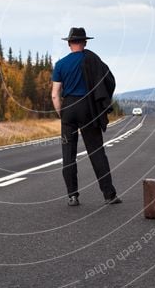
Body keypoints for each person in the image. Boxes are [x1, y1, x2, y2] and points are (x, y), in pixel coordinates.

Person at [51, 27, 121, 206]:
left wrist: (62, 114)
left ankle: (72, 196)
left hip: (68, 108)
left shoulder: (60, 64)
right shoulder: (93, 59)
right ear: (85, 42)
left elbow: (55, 94)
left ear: (68, 44)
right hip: (88, 108)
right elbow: (108, 80)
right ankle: (109, 195)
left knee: (68, 154)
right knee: (97, 152)